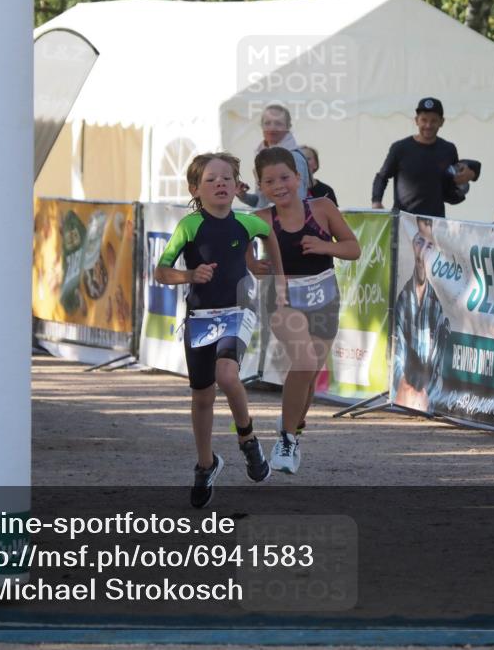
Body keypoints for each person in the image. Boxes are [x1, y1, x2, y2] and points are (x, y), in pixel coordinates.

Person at [154, 152, 287, 508]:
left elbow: (268, 235)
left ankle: (247, 439)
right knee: (202, 396)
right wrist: (189, 275)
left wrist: (262, 265)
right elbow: (161, 271)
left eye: (227, 178)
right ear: (195, 189)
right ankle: (205, 464)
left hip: (238, 310)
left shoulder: (247, 222)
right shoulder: (189, 227)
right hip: (199, 317)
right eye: (211, 179)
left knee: (227, 375)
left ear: (236, 184)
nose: (220, 184)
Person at [249, 147, 360, 474]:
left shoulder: (323, 208)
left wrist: (325, 246)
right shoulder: (260, 220)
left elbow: (353, 248)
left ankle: (293, 432)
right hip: (284, 299)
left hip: (324, 297)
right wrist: (255, 265)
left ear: (299, 178)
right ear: (261, 187)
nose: (279, 185)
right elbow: (244, 254)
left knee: (310, 374)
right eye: (270, 181)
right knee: (304, 360)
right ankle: (285, 438)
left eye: (285, 177)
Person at [372, 97, 479, 216]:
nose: (428, 125)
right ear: (416, 120)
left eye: (434, 120)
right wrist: (376, 202)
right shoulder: (400, 148)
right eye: (424, 120)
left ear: (442, 122)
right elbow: (382, 176)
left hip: (435, 221)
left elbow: (453, 181)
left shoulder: (448, 149)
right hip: (404, 220)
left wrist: (468, 176)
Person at [392, 217, 449, 412]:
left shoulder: (439, 303)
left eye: (430, 245)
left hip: (428, 397)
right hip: (405, 393)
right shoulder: (404, 297)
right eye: (419, 241)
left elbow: (439, 363)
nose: (423, 249)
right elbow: (397, 350)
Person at [237, 104, 310, 207]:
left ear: (288, 127)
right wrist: (243, 195)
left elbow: (298, 202)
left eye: (278, 123)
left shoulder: (294, 157)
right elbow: (261, 202)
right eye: (267, 123)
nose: (272, 128)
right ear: (261, 126)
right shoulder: (261, 155)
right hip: (265, 220)